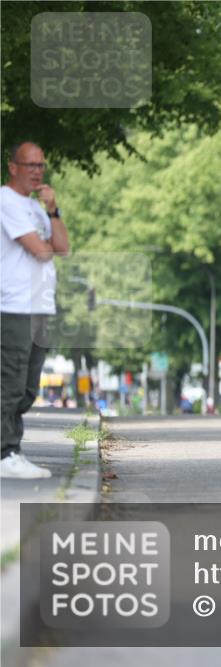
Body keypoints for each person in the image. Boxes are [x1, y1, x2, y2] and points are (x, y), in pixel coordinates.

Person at [2, 141, 69, 479]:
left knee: (28, 388)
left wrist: (53, 209)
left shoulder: (37, 208)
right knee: (10, 384)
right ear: (13, 167)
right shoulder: (5, 201)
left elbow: (62, 247)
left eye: (41, 165)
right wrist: (46, 246)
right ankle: (5, 453)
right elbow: (42, 252)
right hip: (13, 307)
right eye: (30, 165)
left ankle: (10, 452)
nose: (37, 171)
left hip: (40, 307)